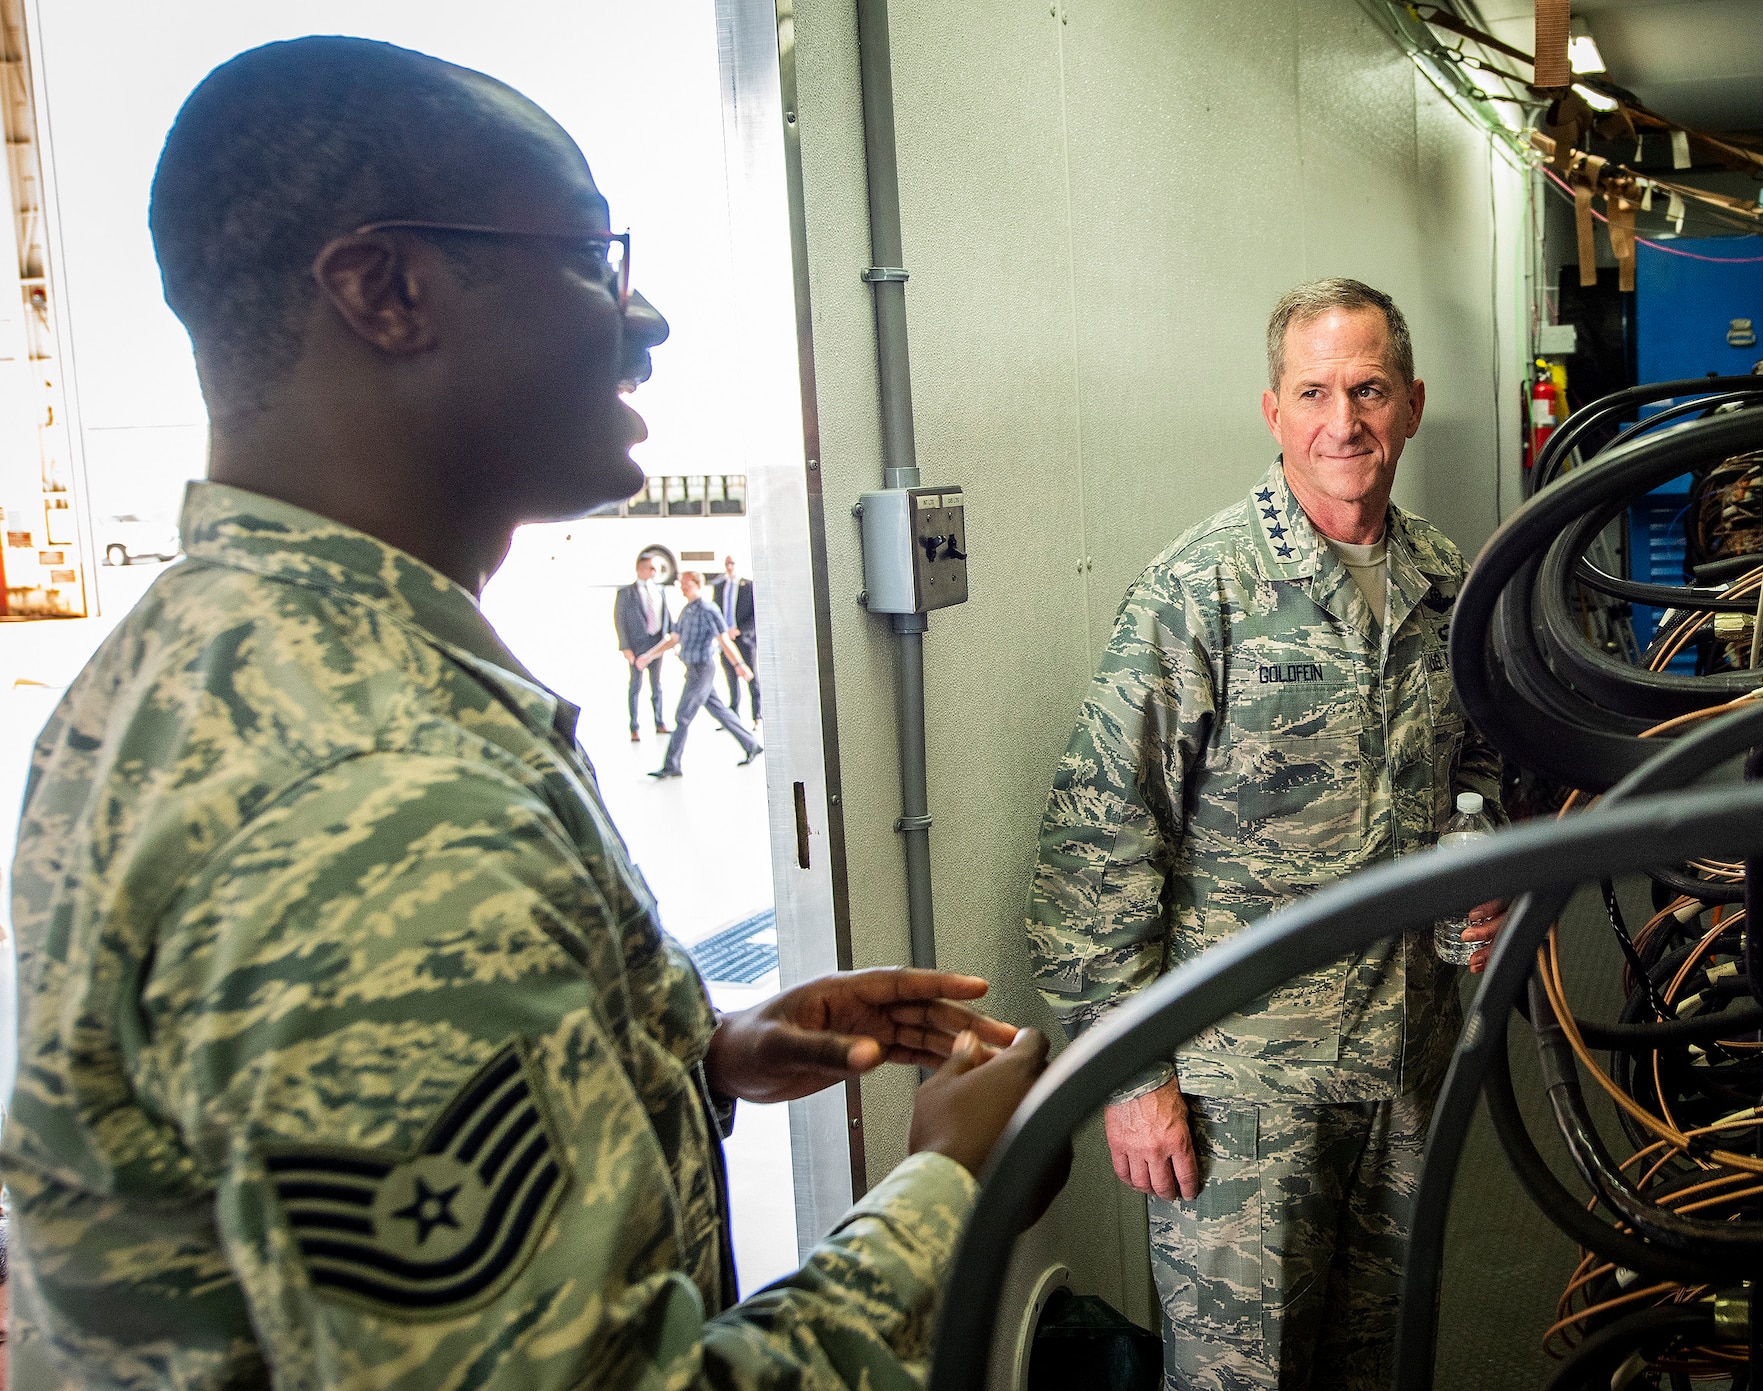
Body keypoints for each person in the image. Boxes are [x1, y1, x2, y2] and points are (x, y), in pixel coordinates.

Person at [3, 36, 1051, 1389]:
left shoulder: (188, 666)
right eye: (587, 259)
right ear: (385, 289)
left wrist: (682, 1056)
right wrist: (951, 1177)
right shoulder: (382, 804)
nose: (646, 319)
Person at [1027, 278, 1505, 1391]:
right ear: (1273, 410)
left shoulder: (1452, 586)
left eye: (1368, 388)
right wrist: (1131, 1072)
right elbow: (1095, 842)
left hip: (1404, 1071)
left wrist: (1486, 877)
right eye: (1315, 391)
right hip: (1243, 1092)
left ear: (1412, 403)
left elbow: (1482, 780)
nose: (1344, 420)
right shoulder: (1200, 591)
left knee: (1383, 1365)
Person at [644, 569, 762, 778]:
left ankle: (672, 764)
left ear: (698, 585)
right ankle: (751, 745)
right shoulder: (687, 610)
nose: (683, 587)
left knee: (683, 715)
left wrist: (740, 664)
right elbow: (673, 638)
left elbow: (724, 640)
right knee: (720, 711)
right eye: (682, 584)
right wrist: (649, 655)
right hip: (692, 671)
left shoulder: (709, 610)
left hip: (702, 670)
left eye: (687, 584)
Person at [615, 549, 671, 740]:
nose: (654, 572)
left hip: (656, 645)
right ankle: (634, 727)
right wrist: (626, 648)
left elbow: (666, 616)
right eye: (651, 568)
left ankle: (660, 722)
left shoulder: (659, 590)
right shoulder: (626, 593)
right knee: (635, 687)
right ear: (640, 569)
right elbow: (619, 620)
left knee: (657, 685)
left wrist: (669, 640)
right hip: (637, 645)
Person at [713, 554, 759, 726]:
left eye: (732, 563)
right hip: (725, 639)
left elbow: (756, 615)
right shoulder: (720, 586)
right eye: (727, 563)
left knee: (751, 677)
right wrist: (723, 632)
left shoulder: (748, 585)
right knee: (730, 678)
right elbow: (716, 611)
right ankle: (733, 717)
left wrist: (739, 630)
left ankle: (757, 716)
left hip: (744, 638)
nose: (729, 566)